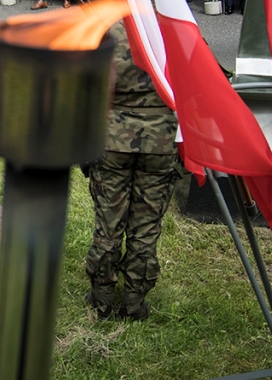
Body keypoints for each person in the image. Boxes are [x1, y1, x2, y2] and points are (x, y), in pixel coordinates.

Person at [86, 22, 179, 322]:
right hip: (161, 142)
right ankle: (134, 303)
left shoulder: (109, 32)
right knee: (146, 226)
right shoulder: (175, 28)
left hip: (113, 140)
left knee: (108, 223)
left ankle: (101, 300)